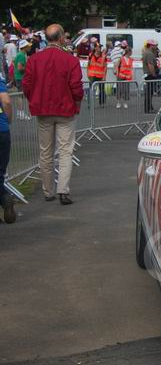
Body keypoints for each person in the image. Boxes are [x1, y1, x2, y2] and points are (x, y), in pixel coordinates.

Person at [22, 24, 84, 205]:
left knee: (46, 152)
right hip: (65, 109)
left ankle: (48, 190)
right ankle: (63, 190)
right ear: (61, 38)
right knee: (65, 151)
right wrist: (77, 100)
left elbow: (27, 84)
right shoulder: (70, 60)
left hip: (43, 109)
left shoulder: (34, 59)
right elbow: (76, 87)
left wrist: (33, 98)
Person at [0, 70, 15, 223]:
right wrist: (8, 119)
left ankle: (4, 198)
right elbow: (6, 101)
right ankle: (4, 198)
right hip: (2, 130)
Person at [87, 42, 108, 106]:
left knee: (102, 90)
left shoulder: (103, 56)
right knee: (91, 90)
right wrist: (87, 74)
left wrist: (104, 76)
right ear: (95, 48)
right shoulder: (91, 55)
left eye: (100, 47)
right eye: (99, 47)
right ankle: (90, 103)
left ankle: (102, 103)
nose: (100, 48)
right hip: (92, 75)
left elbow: (105, 67)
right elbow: (88, 65)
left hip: (101, 75)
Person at [142, 39, 159, 113]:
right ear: (151, 46)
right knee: (149, 92)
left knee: (149, 92)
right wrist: (153, 74)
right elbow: (150, 64)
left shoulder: (147, 53)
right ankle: (148, 108)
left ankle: (149, 107)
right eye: (155, 45)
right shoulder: (149, 54)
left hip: (148, 74)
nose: (156, 47)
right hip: (150, 75)